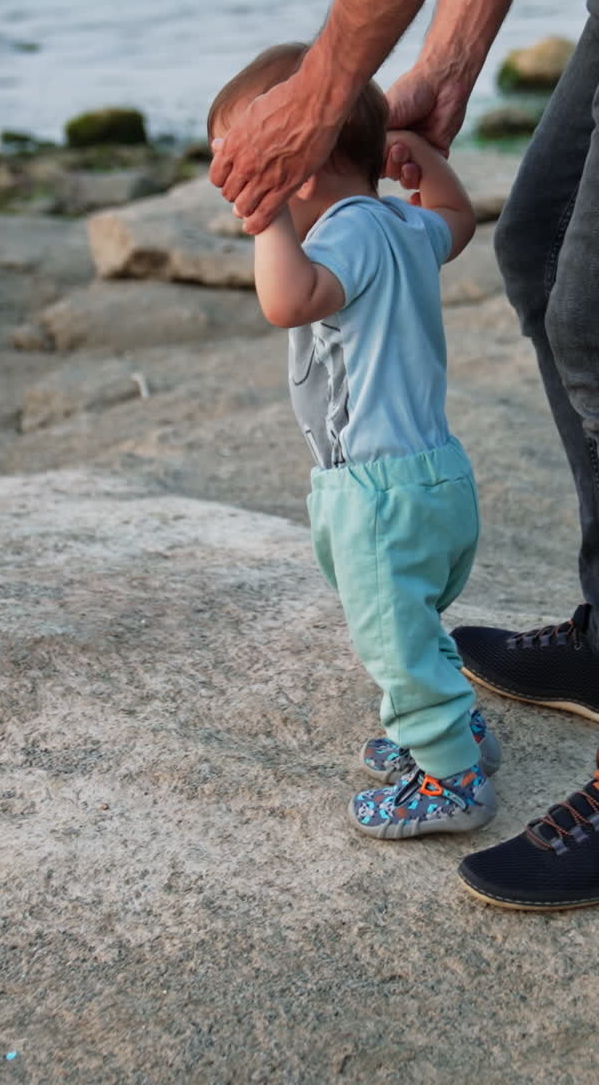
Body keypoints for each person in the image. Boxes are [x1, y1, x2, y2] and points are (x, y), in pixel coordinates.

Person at [210, 0, 599, 907]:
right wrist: (442, 72)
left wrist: (324, 98)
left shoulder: (330, 243)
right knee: (541, 241)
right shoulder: (389, 227)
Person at [208, 42, 502, 838]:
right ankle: (454, 729)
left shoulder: (345, 235)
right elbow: (457, 220)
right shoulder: (400, 223)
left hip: (376, 492)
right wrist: (429, 161)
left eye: (242, 169)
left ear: (294, 171)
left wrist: (264, 222)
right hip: (433, 476)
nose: (237, 191)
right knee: (416, 620)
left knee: (395, 643)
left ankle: (451, 779)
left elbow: (291, 300)